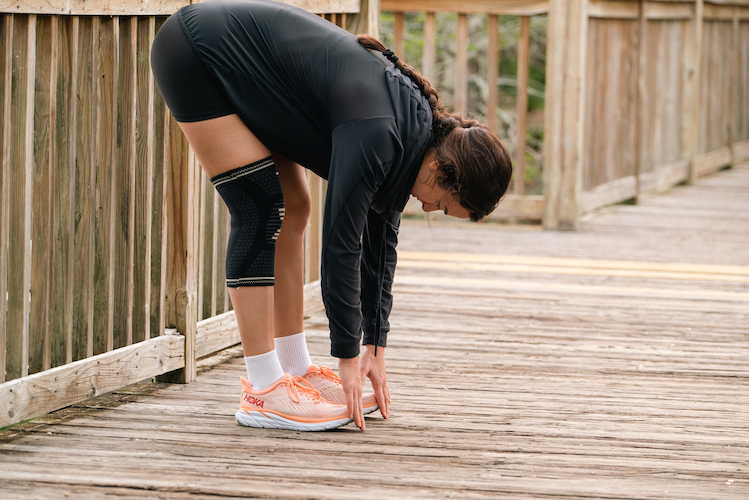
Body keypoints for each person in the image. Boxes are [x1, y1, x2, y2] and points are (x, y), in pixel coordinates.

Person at [150, 0, 512, 432]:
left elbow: (379, 246)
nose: (429, 209)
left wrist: (374, 348)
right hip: (198, 52)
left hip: (258, 78)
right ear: (441, 171)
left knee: (296, 207)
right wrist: (345, 355)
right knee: (260, 207)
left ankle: (295, 368)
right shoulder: (379, 130)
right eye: (442, 205)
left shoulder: (416, 135)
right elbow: (342, 243)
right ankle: (263, 391)